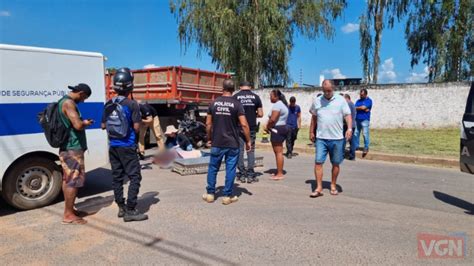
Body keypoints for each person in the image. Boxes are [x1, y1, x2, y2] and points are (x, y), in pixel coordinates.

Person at [102, 68, 148, 222]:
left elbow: (103, 125)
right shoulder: (132, 104)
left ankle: (121, 207)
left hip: (113, 146)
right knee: (135, 176)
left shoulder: (108, 103)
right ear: (130, 86)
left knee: (117, 177)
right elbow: (136, 127)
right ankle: (131, 209)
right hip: (127, 146)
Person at [202, 79, 251, 205]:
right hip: (233, 143)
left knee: (213, 167)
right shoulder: (237, 104)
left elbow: (208, 124)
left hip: (217, 142)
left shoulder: (213, 103)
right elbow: (244, 125)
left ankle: (210, 194)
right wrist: (248, 141)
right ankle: (227, 196)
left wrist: (209, 138)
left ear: (222, 89)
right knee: (230, 169)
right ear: (233, 89)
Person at [309, 80, 352, 198]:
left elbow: (348, 115)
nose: (326, 93)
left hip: (337, 138)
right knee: (318, 162)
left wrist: (349, 129)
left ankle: (333, 185)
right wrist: (311, 131)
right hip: (321, 138)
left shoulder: (341, 100)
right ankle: (318, 188)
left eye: (329, 90)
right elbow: (314, 117)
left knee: (336, 163)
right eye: (324, 90)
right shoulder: (317, 101)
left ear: (333, 88)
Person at [58, 83, 94, 225]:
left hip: (68, 147)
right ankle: (68, 214)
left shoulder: (63, 101)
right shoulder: (69, 103)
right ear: (80, 93)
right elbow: (77, 125)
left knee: (68, 179)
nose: (83, 100)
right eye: (84, 97)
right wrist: (85, 122)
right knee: (73, 181)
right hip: (72, 147)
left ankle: (70, 210)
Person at [233, 81, 263, 183]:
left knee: (240, 150)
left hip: (238, 127)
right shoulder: (256, 97)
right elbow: (260, 114)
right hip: (251, 127)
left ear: (240, 86)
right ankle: (250, 174)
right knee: (250, 150)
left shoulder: (235, 97)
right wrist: (253, 114)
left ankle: (241, 174)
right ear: (250, 87)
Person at [265, 89, 289, 181]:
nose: (270, 97)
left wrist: (267, 127)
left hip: (277, 129)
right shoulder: (281, 105)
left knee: (278, 152)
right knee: (278, 152)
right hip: (281, 128)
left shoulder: (278, 105)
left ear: (276, 96)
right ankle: (279, 171)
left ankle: (279, 173)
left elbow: (273, 119)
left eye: (271, 95)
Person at [354, 88, 373, 157]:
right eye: (360, 94)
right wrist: (361, 108)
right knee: (356, 133)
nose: (360, 96)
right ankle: (356, 146)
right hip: (357, 119)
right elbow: (355, 107)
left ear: (365, 94)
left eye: (362, 95)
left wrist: (360, 108)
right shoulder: (358, 101)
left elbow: (363, 108)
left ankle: (366, 147)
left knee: (365, 134)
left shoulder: (369, 101)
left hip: (365, 119)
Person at [343, 94, 357, 160]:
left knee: (344, 139)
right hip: (353, 124)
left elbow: (346, 115)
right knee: (352, 140)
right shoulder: (352, 104)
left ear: (346, 98)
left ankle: (344, 155)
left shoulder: (348, 104)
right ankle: (352, 156)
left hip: (348, 125)